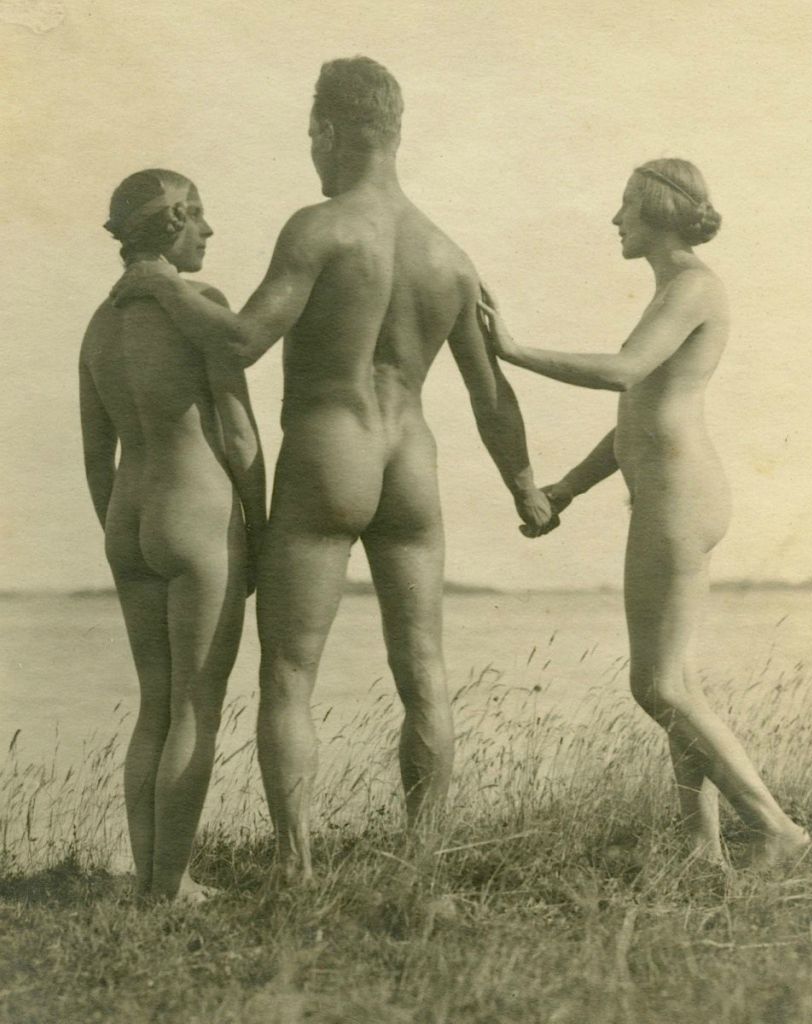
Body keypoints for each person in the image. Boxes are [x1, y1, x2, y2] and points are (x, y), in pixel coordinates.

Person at [110, 58, 554, 882]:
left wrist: (158, 286)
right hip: (411, 460)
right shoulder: (449, 254)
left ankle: (297, 866)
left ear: (328, 130)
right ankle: (423, 866)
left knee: (288, 674)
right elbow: (490, 394)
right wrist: (523, 485)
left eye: (312, 136)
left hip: (329, 450)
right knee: (424, 673)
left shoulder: (318, 229)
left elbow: (243, 340)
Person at [479, 159, 810, 867]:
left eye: (625, 204)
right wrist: (566, 489)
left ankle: (775, 829)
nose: (615, 219)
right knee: (676, 682)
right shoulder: (678, 288)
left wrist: (513, 350)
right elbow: (636, 414)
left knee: (654, 686)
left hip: (678, 498)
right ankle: (702, 847)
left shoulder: (691, 286)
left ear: (657, 209)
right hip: (678, 494)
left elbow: (623, 372)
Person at [80, 169, 266, 900]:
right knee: (195, 706)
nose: (209, 232)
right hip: (196, 515)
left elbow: (95, 453)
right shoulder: (201, 307)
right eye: (200, 217)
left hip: (128, 519)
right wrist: (261, 529)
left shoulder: (99, 324)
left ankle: (151, 878)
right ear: (173, 221)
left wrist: (119, 533)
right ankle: (169, 887)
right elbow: (240, 437)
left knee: (154, 706)